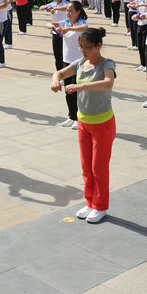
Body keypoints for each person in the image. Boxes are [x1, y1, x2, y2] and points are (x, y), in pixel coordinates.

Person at [50, 28, 116, 224]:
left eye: (88, 47)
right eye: (81, 47)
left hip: (102, 124)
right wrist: (55, 81)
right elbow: (59, 73)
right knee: (87, 167)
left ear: (98, 46)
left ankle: (100, 206)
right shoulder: (80, 63)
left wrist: (80, 86)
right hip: (84, 123)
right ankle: (90, 202)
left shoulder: (107, 64)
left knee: (99, 168)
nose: (84, 51)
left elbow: (108, 83)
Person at [51, 1, 89, 129]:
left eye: (71, 11)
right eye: (67, 11)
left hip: (79, 62)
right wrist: (55, 29)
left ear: (78, 11)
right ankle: (71, 116)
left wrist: (68, 29)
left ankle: (79, 118)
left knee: (77, 91)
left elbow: (85, 28)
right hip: (66, 61)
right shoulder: (65, 23)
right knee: (68, 91)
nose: (68, 13)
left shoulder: (81, 22)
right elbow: (49, 24)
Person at [40, 0, 70, 71]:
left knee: (65, 55)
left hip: (65, 32)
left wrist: (55, 8)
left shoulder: (65, 3)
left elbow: (67, 7)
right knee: (57, 56)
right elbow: (41, 7)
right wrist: (46, 8)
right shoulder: (53, 3)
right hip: (55, 32)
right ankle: (59, 73)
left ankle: (66, 73)